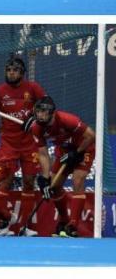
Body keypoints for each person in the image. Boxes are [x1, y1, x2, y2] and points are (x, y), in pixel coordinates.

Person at [0, 56, 47, 234]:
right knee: (4, 181)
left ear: (22, 72)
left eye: (14, 70)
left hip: (30, 143)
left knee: (29, 183)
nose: (11, 73)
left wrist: (35, 118)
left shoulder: (33, 88)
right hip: (8, 144)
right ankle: (3, 223)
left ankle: (26, 227)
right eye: (8, 70)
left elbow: (46, 107)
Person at [28, 96, 96, 237]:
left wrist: (77, 153)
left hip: (84, 148)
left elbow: (91, 135)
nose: (39, 115)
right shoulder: (36, 128)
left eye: (42, 111)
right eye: (37, 111)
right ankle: (63, 220)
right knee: (54, 186)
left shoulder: (67, 120)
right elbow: (43, 154)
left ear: (51, 112)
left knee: (78, 180)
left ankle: (73, 225)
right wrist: (45, 177)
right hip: (64, 151)